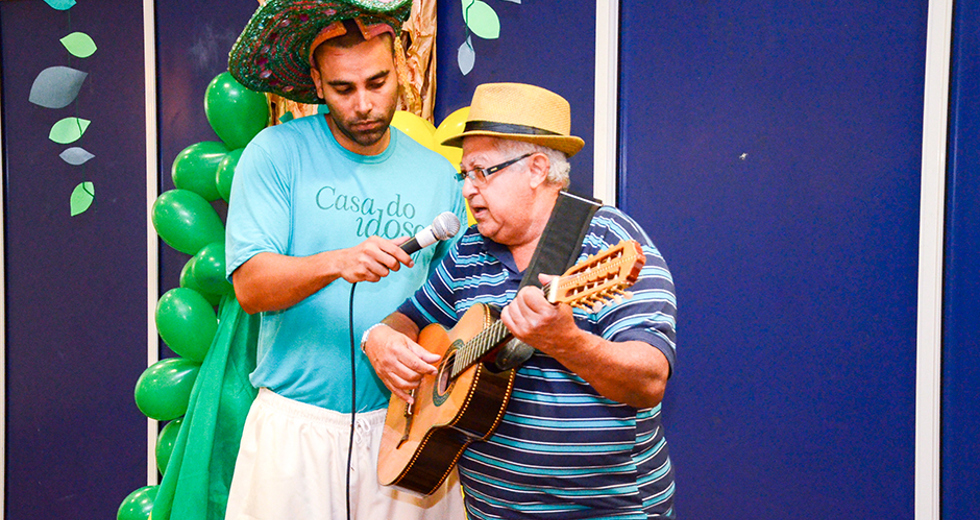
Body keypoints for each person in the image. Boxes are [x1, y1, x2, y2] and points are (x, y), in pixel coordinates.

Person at [363, 82, 678, 519]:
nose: (469, 189)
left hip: (606, 509)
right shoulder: (469, 249)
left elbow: (648, 381)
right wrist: (380, 338)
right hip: (491, 510)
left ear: (535, 169)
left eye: (482, 171)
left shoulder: (611, 243)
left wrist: (566, 341)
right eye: (464, 174)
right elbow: (409, 318)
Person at [222, 1, 465, 519]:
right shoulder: (274, 153)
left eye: (377, 83)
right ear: (316, 81)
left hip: (405, 427)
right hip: (296, 429)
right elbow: (250, 287)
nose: (363, 105)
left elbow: (459, 298)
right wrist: (334, 262)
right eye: (342, 89)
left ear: (399, 66)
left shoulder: (437, 176)